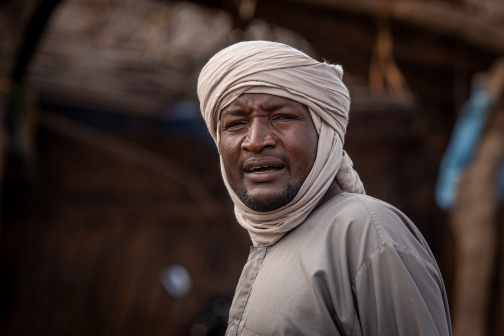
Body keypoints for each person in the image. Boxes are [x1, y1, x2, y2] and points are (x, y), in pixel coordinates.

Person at [197, 41, 451, 336]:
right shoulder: (275, 241)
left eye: (282, 117)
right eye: (236, 123)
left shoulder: (367, 231)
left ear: (325, 131)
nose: (255, 141)